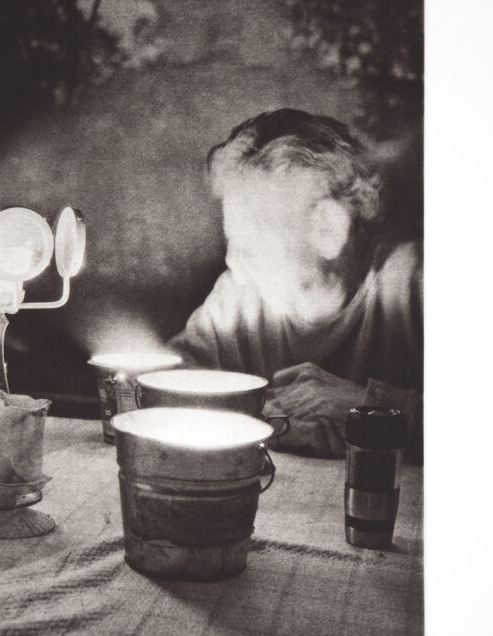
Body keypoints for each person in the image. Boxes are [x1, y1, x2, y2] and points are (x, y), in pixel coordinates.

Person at [169, 109, 422, 459]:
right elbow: (165, 386)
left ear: (329, 229)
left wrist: (365, 406)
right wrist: (260, 417)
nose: (232, 263)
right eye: (231, 242)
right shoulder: (239, 297)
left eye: (251, 245)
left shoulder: (413, 282)